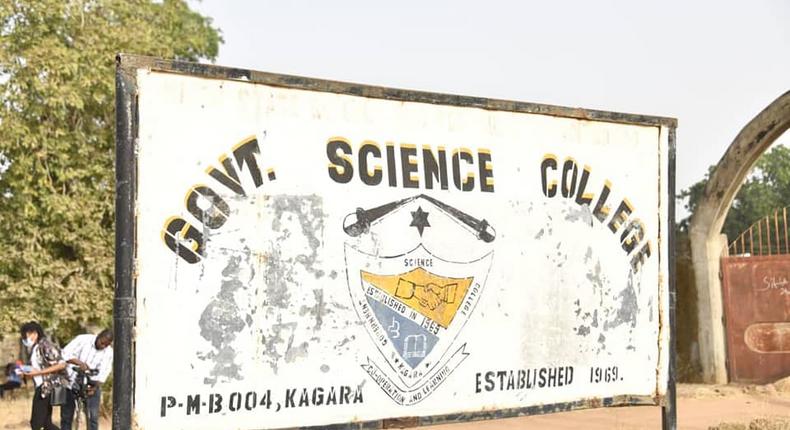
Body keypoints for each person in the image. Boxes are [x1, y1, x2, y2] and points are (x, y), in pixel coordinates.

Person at [60, 329, 113, 430]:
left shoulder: (109, 352)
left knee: (92, 417)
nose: (103, 346)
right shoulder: (83, 339)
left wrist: (94, 387)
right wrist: (80, 363)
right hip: (71, 381)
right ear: (98, 336)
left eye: (106, 345)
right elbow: (65, 353)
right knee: (67, 416)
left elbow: (104, 373)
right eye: (102, 343)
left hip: (91, 385)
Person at [20, 321, 68, 430]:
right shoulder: (35, 348)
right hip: (41, 386)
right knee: (46, 423)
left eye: (26, 336)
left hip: (47, 387)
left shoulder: (45, 345)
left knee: (36, 423)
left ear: (35, 333)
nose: (25, 339)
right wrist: (25, 371)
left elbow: (61, 365)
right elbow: (38, 366)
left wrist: (37, 373)